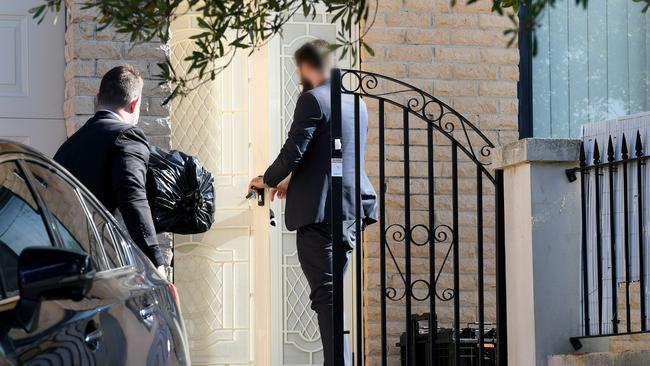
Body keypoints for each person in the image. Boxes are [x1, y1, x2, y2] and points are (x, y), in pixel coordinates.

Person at [248, 40, 377, 366]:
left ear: (308, 67)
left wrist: (269, 179)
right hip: (349, 213)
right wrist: (295, 182)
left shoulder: (312, 100)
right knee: (331, 296)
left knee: (326, 297)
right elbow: (336, 158)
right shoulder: (356, 103)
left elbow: (295, 151)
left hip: (319, 217)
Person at [54, 65, 165, 276]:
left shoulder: (70, 146)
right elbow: (133, 199)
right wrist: (156, 263)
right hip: (103, 270)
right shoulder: (127, 137)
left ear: (97, 99)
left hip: (66, 264)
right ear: (134, 104)